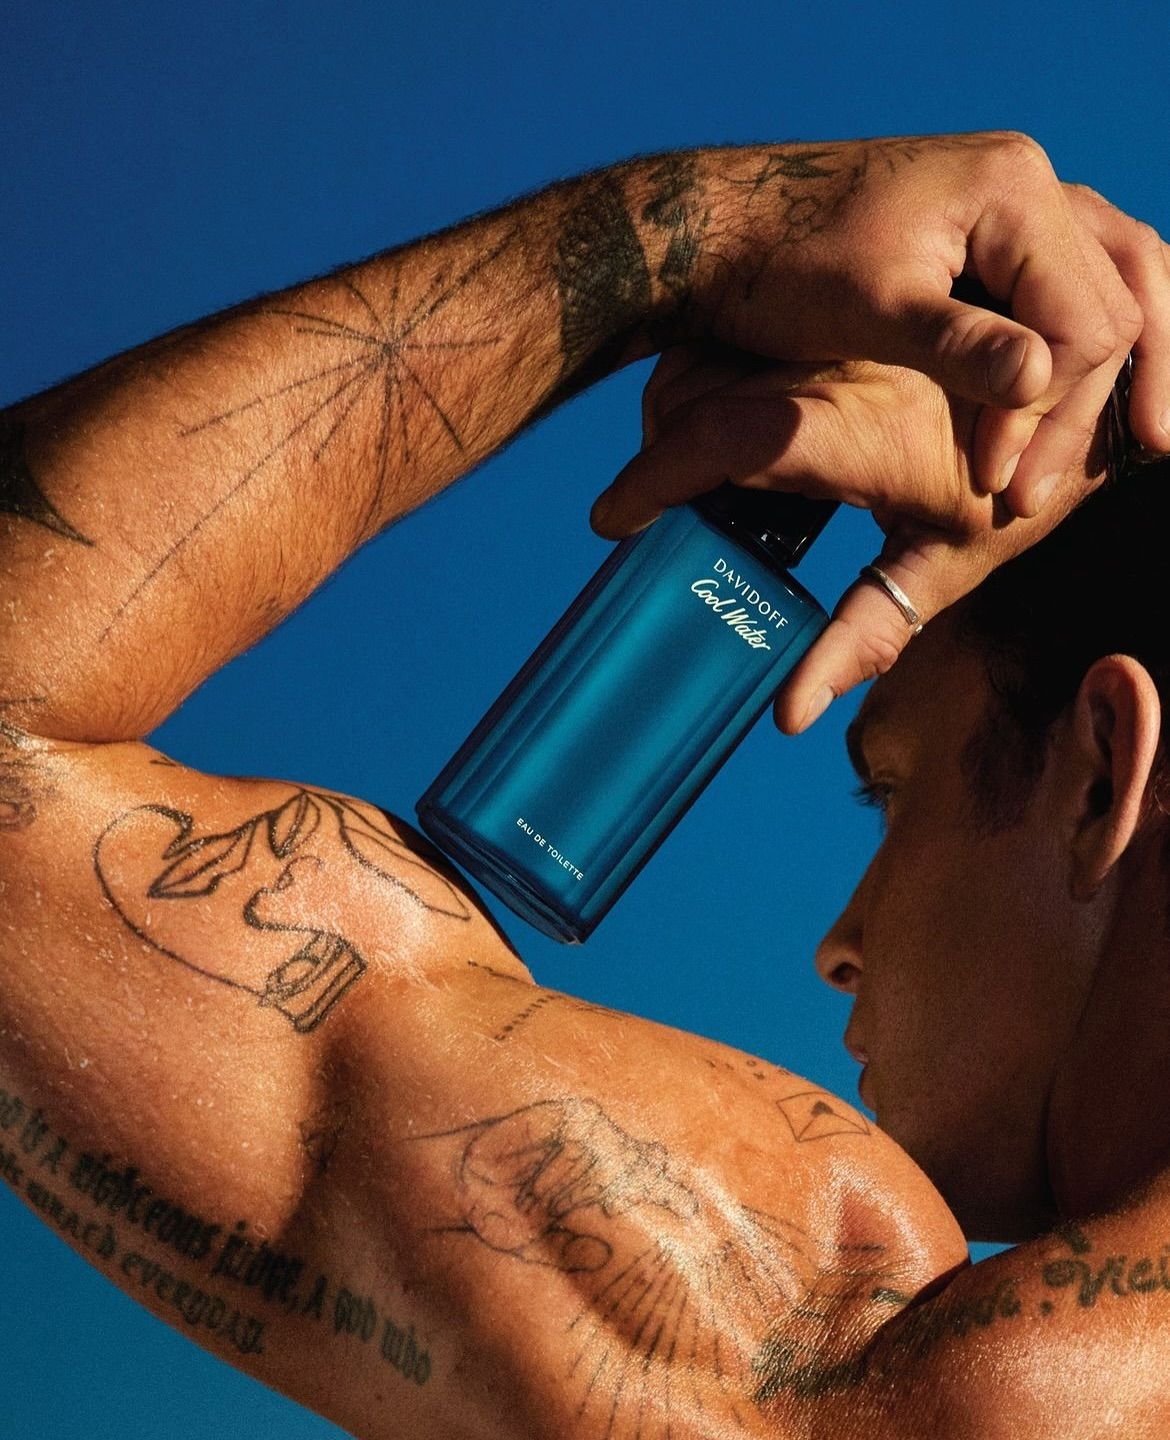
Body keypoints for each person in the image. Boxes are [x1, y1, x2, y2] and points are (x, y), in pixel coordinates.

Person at [1, 129, 1168, 1438]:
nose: (838, 946)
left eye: (890, 794)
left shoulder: (921, 1391)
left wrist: (691, 235)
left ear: (1098, 777)